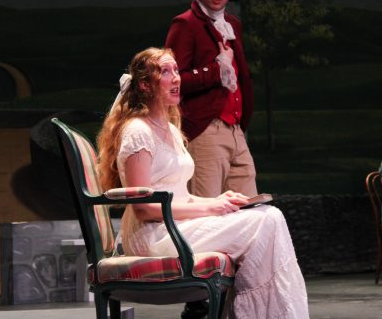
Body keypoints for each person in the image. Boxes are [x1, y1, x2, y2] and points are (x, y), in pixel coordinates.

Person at [96, 48, 309, 319]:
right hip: (153, 235)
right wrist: (212, 209)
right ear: (145, 85)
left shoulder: (170, 130)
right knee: (268, 220)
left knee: (267, 215)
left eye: (176, 70)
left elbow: (181, 195)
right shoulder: (138, 132)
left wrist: (222, 201)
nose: (176, 78)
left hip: (175, 227)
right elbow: (144, 209)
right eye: (165, 72)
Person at [165, 0, 257, 199]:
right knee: (206, 215)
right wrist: (216, 70)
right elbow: (172, 81)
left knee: (247, 211)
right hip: (205, 130)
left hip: (236, 131)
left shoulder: (232, 24)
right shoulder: (185, 24)